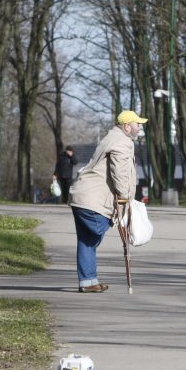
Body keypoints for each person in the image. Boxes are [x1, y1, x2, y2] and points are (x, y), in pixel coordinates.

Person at [69, 111, 146, 293]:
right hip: (91, 200)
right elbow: (119, 173)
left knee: (87, 241)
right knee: (98, 228)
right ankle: (88, 279)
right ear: (127, 126)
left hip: (82, 197)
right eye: (137, 124)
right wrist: (125, 199)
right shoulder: (122, 142)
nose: (140, 127)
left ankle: (88, 282)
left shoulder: (112, 138)